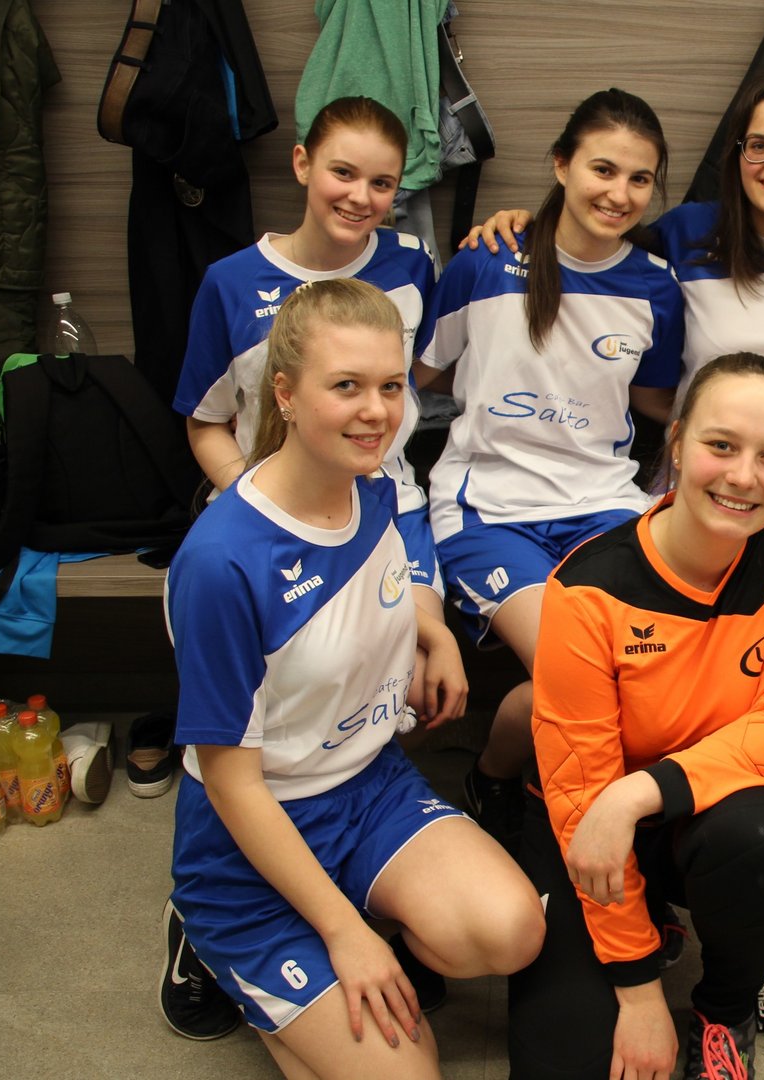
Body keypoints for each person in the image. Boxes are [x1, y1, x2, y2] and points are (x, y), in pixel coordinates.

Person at [465, 71, 764, 923]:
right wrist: (518, 220)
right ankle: (632, 827)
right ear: (735, 155)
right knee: (636, 656)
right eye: (759, 144)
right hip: (699, 464)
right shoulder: (684, 234)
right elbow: (593, 232)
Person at [165, 279, 545, 1078]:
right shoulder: (221, 562)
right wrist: (346, 936)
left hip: (368, 787)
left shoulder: (371, 490)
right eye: (346, 386)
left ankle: (349, 927)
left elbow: (387, 582)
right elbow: (232, 783)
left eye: (391, 386)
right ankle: (222, 944)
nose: (377, 412)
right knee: (409, 1072)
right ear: (285, 393)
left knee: (510, 932)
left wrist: (433, 632)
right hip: (251, 833)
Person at [510, 353, 764, 1080]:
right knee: (565, 1066)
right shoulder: (586, 589)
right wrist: (639, 994)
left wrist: (641, 792)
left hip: (693, 811)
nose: (744, 476)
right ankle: (645, 930)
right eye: (722, 445)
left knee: (762, 836)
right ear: (679, 443)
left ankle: (724, 1012)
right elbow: (582, 797)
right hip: (585, 820)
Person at [412, 88, 682, 856]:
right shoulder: (487, 261)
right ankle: (542, 813)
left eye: (639, 179)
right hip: (489, 508)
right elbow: (417, 376)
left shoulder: (655, 286)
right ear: (562, 165)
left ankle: (499, 774)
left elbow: (654, 400)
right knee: (577, 671)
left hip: (601, 501)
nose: (619, 193)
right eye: (603, 169)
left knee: (652, 669)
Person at [173, 95, 440, 594]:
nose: (360, 197)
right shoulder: (231, 283)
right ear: (302, 164)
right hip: (273, 513)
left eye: (381, 183)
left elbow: (417, 371)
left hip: (390, 505)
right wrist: (258, 500)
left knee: (418, 638)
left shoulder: (413, 263)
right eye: (343, 173)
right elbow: (205, 421)